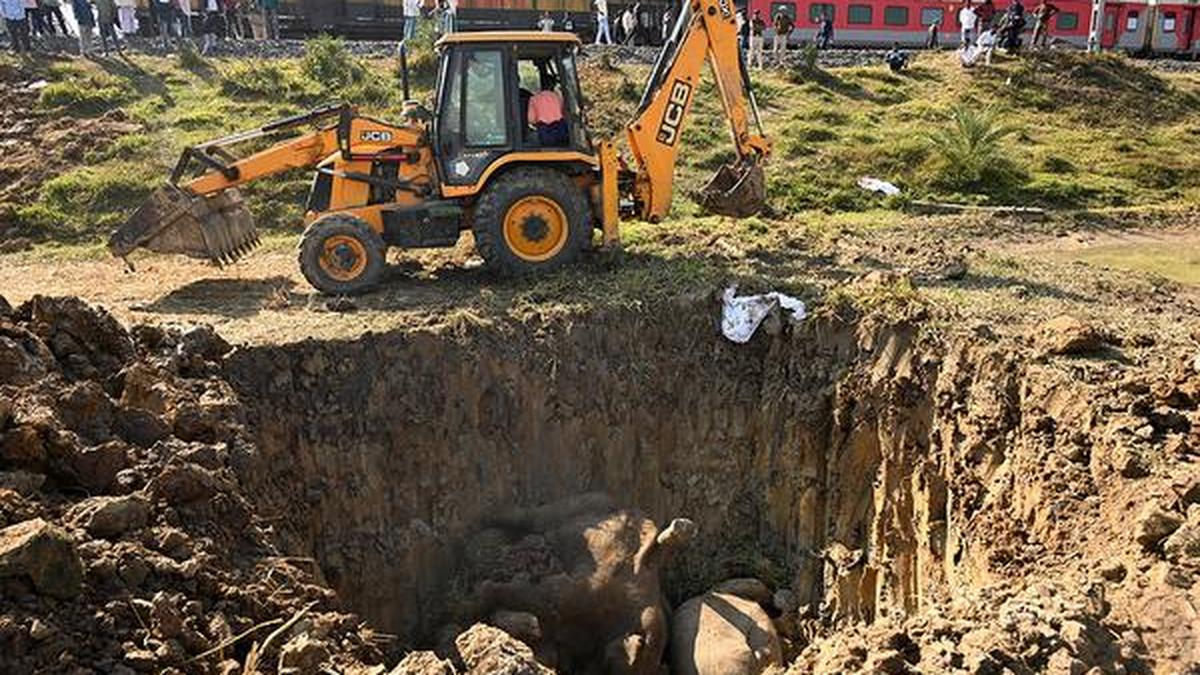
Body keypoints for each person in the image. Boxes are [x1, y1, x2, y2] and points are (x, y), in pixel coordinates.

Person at [527, 78, 567, 146]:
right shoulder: (558, 97)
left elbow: (531, 120)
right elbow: (564, 112)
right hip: (560, 129)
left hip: (544, 130)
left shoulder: (534, 99)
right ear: (552, 86)